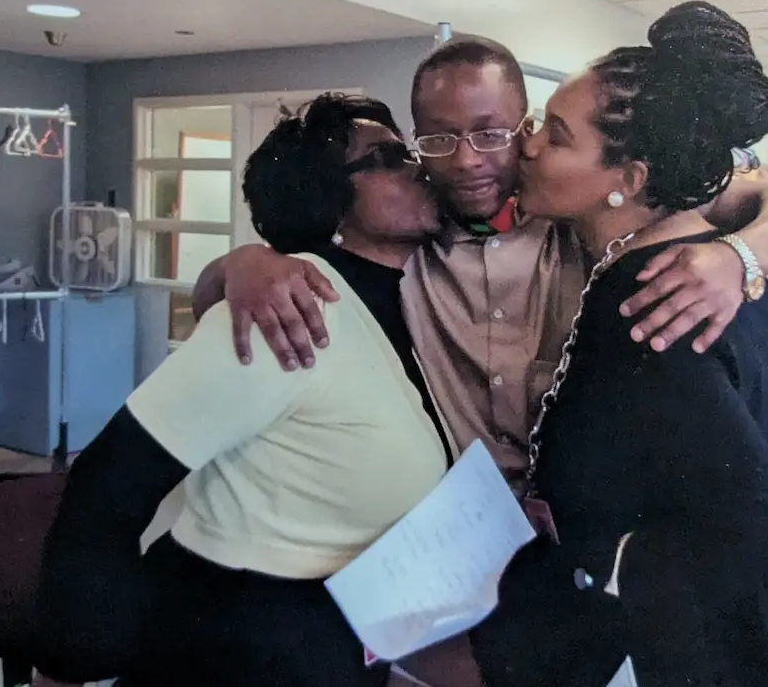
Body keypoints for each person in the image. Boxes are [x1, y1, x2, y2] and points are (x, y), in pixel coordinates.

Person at [469, 1, 768, 687]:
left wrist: (600, 562)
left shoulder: (653, 299)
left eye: (554, 136)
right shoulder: (693, 249)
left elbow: (753, 522)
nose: (526, 146)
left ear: (630, 179)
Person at [191, 36, 768, 492]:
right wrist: (246, 261)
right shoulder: (410, 229)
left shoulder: (585, 211)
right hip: (467, 517)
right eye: (440, 139)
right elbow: (222, 289)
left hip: (589, 513)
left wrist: (741, 255)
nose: (468, 160)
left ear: (526, 128)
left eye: (491, 133)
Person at [32, 94, 455, 687]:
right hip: (234, 641)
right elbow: (106, 487)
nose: (417, 166)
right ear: (326, 197)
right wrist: (64, 669)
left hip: (342, 636)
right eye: (385, 157)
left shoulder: (420, 297)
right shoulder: (290, 311)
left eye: (407, 150)